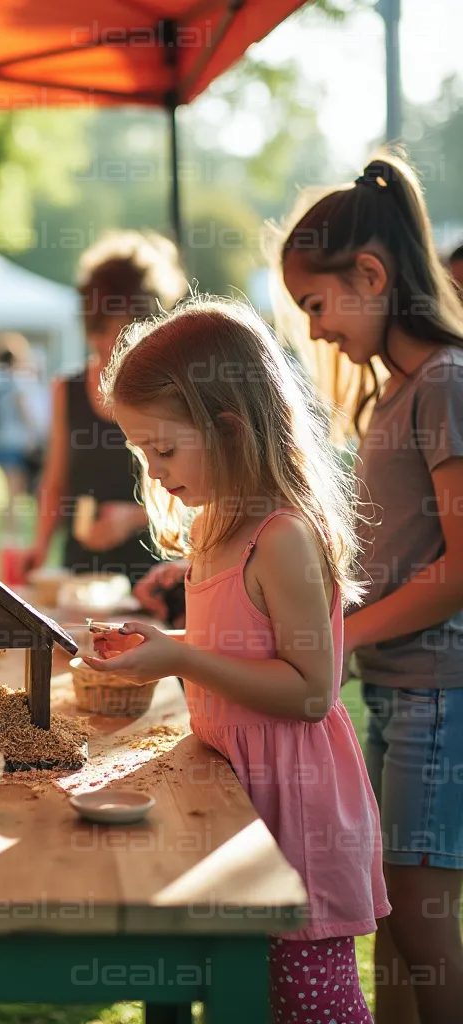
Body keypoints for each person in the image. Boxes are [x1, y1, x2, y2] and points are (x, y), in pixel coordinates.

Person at [86, 298, 388, 1024]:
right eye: (140, 455)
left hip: (294, 808)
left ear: (228, 429)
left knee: (308, 1003)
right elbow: (230, 647)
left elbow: (312, 690)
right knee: (232, 989)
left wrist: (181, 660)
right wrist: (165, 645)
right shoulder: (216, 524)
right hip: (234, 794)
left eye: (163, 450)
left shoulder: (281, 536)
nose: (153, 473)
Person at [282, 153, 463, 1024]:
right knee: (391, 925)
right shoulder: (392, 398)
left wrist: (337, 640)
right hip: (394, 695)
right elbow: (395, 558)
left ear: (371, 273)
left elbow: (458, 573)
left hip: (439, 697)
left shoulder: (445, 385)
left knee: (426, 931)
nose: (314, 330)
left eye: (316, 304)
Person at [25, 231, 187, 584]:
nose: (96, 341)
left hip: (157, 571)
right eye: (92, 327)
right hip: (82, 570)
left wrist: (132, 517)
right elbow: (55, 482)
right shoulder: (66, 389)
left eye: (108, 327)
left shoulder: (175, 391)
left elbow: (203, 489)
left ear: (145, 323)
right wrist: (38, 547)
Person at [0, 332, 47, 533]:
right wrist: (36, 434)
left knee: (8, 489)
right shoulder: (17, 381)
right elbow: (25, 412)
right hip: (15, 441)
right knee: (14, 490)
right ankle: (12, 530)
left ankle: (9, 528)